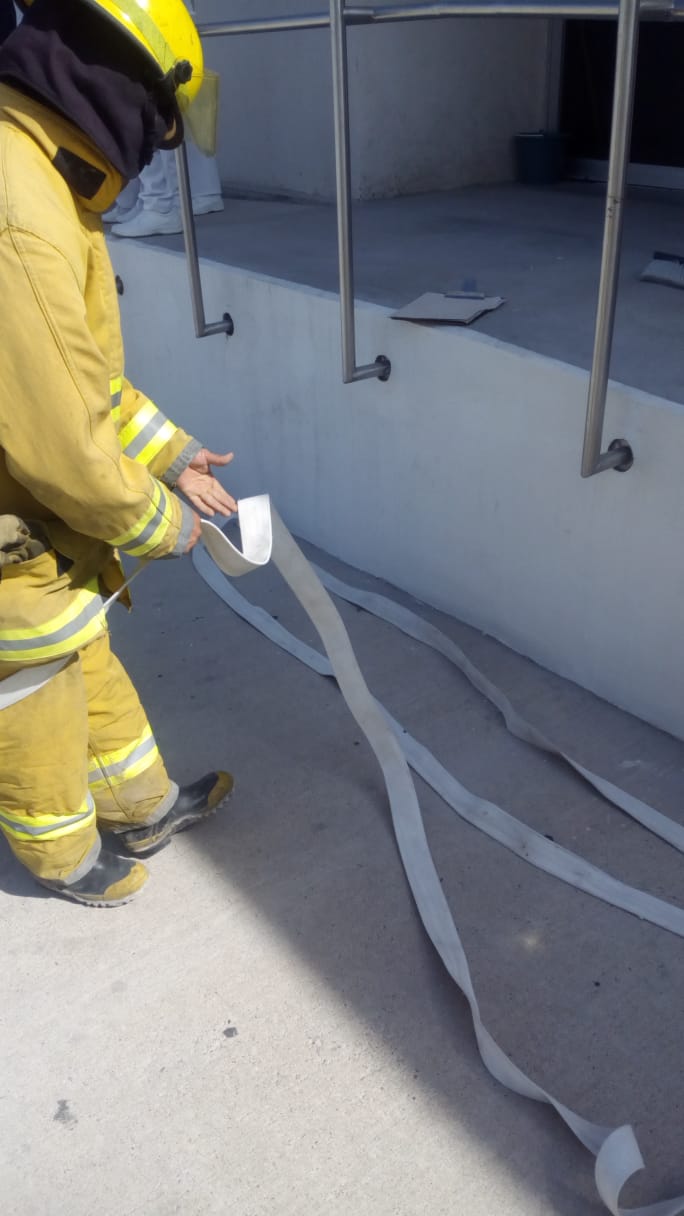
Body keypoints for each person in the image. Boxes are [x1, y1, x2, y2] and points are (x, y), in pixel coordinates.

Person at [0, 0, 237, 907]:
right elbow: (62, 442)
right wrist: (161, 524)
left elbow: (81, 378)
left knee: (82, 652)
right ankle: (62, 860)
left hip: (39, 529)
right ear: (123, 90)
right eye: (162, 125)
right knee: (32, 692)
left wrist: (173, 455)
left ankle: (141, 806)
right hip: (13, 533)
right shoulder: (20, 210)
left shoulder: (43, 175)